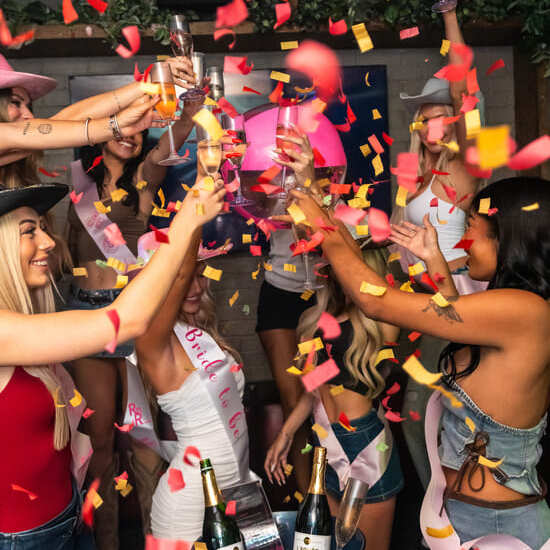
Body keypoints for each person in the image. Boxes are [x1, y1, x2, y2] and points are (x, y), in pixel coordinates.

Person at [288, 177, 550, 548]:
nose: (462, 244)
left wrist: (322, 224)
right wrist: (435, 262)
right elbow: (457, 327)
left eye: (470, 229)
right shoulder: (511, 307)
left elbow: (374, 300)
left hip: (496, 528)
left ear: (505, 238)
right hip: (462, 515)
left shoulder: (526, 311)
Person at [0, 177, 225, 548]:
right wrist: (188, 219)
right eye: (30, 232)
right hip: (23, 538)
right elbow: (127, 321)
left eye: (44, 229)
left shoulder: (28, 322)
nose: (48, 242)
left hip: (66, 517)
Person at [65, 72, 205, 547]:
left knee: (145, 445)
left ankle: (155, 536)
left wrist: (186, 115)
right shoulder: (72, 190)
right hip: (87, 320)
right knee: (100, 445)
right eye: (119, 127)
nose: (129, 135)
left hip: (135, 317)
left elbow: (166, 151)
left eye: (136, 129)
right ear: (101, 132)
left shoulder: (145, 181)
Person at [393, 2, 487, 491]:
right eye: (426, 120)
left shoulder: (464, 165)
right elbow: (399, 240)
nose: (435, 128)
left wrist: (449, 15)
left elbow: (465, 84)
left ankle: (458, 501)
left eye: (444, 118)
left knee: (437, 403)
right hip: (420, 300)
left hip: (460, 296)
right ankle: (446, 501)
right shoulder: (412, 175)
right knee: (426, 407)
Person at [133, 187, 255, 541]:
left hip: (233, 489)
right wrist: (197, 213)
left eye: (203, 274)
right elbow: (178, 277)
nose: (195, 285)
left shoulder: (200, 332)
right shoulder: (151, 339)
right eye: (185, 277)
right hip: (187, 501)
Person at [264, 245, 403, 550]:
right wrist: (286, 433)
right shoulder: (326, 316)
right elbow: (315, 389)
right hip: (323, 441)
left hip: (365, 444)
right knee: (330, 546)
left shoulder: (383, 320)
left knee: (364, 546)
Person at [255, 127, 324, 493]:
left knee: (321, 397)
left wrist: (310, 181)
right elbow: (258, 210)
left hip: (322, 296)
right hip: (279, 294)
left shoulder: (327, 179)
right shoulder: (269, 177)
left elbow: (331, 228)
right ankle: (304, 500)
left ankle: (327, 492)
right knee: (294, 400)